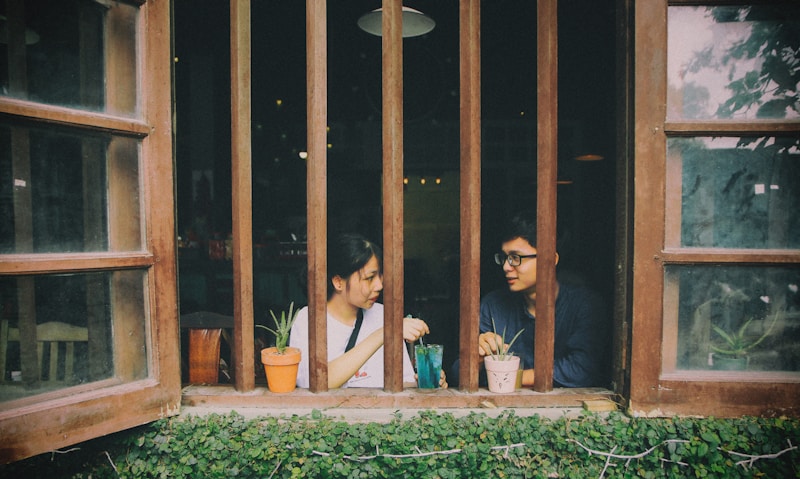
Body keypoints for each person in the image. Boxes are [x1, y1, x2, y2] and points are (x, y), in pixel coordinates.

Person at [451, 212, 609, 388]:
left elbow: (581, 370)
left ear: (550, 260)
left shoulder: (584, 305)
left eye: (516, 258)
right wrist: (477, 358)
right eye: (504, 257)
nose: (506, 266)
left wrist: (508, 378)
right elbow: (459, 375)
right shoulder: (493, 305)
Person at [290, 233, 447, 389]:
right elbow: (313, 383)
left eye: (380, 276)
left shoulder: (383, 315)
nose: (379, 285)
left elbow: (402, 382)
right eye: (369, 278)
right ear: (338, 282)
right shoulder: (308, 319)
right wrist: (385, 332)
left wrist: (422, 384)